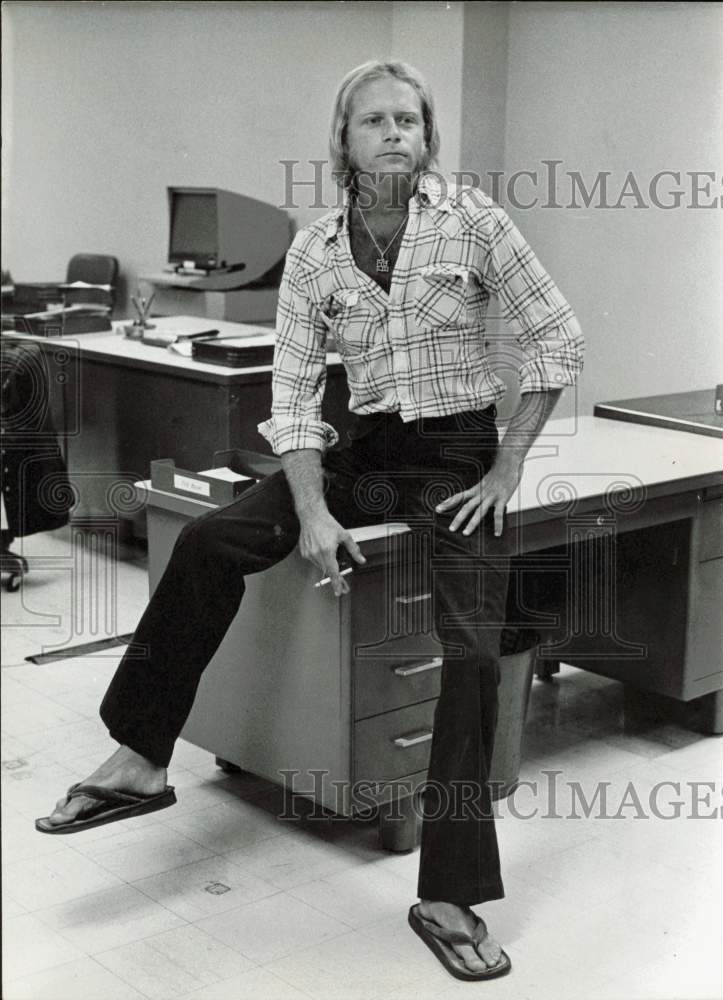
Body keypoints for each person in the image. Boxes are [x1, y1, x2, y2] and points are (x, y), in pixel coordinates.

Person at [36, 61, 583, 982]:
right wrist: (312, 508)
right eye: (374, 120)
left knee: (475, 652)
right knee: (212, 540)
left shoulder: (475, 223)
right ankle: (139, 755)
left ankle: (448, 895)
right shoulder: (317, 252)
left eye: (409, 119)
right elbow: (293, 391)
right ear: (344, 143)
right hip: (358, 444)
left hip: (453, 453)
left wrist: (506, 462)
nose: (395, 133)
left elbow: (556, 335)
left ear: (429, 136)